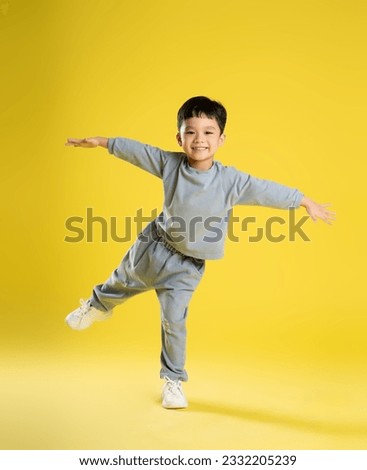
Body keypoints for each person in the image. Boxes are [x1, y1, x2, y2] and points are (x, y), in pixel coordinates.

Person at [65, 96, 335, 409]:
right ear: (179, 138)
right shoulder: (170, 165)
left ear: (221, 139)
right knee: (122, 280)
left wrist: (303, 201)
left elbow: (266, 190)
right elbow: (139, 152)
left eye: (208, 132)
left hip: (187, 267)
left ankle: (173, 381)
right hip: (154, 246)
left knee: (174, 322)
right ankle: (97, 305)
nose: (199, 140)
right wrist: (102, 142)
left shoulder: (231, 181)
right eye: (191, 132)